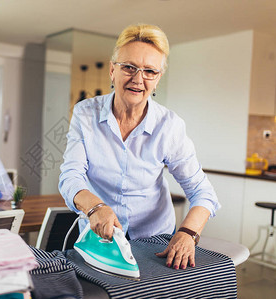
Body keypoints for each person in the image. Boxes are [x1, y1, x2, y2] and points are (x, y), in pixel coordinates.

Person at [58, 24, 220, 270]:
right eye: (129, 67)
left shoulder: (169, 126)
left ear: (157, 80)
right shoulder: (85, 113)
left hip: (156, 241)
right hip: (101, 235)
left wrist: (188, 234)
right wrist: (96, 207)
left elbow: (203, 192)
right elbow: (71, 176)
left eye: (149, 71)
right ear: (112, 70)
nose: (138, 79)